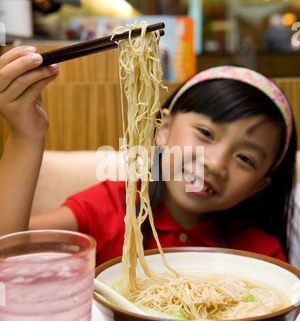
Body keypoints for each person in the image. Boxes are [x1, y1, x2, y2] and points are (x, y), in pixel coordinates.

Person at [0, 46, 297, 267]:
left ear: (259, 186)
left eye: (245, 159)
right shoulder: (114, 206)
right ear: (163, 128)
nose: (216, 163)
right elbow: (6, 249)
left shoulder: (261, 253)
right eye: (206, 133)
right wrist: (26, 135)